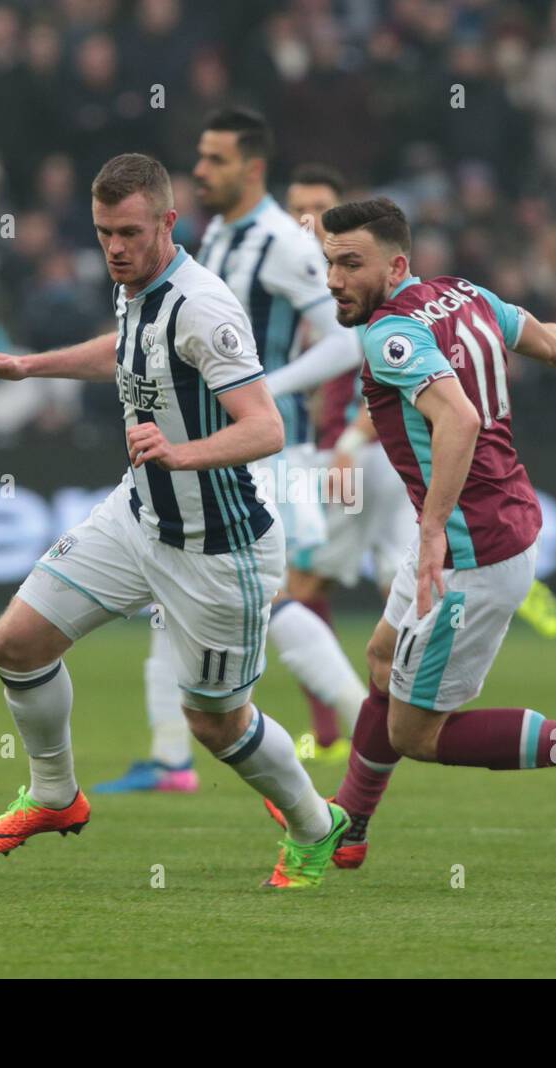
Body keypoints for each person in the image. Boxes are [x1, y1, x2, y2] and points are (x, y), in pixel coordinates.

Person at [0, 153, 349, 889]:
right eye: (104, 232)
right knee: (16, 640)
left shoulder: (204, 305)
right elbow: (127, 351)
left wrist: (179, 450)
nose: (114, 248)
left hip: (218, 547)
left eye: (129, 232)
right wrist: (28, 366)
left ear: (169, 222)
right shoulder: (136, 288)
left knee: (215, 724)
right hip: (139, 518)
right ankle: (54, 796)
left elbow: (264, 426)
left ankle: (316, 826)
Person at [267, 198, 556, 867]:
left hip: (466, 551)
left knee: (417, 733)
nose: (335, 279)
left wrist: (427, 534)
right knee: (384, 660)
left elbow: (460, 420)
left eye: (351, 264)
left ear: (395, 266)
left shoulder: (393, 336)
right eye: (330, 263)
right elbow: (530, 331)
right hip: (484, 528)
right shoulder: (460, 293)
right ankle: (350, 823)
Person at [94, 109, 367, 794]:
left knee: (267, 597)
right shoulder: (215, 235)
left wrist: (261, 389)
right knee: (172, 593)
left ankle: (365, 719)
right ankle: (170, 759)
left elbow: (343, 339)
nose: (200, 169)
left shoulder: (282, 240)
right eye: (199, 156)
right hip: (212, 444)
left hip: (260, 450)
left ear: (251, 168)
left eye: (214, 159)